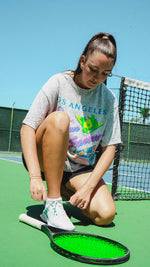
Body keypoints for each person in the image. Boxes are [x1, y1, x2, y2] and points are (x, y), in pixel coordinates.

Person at [21, 32, 121, 231]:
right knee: (60, 119)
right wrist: (34, 177)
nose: (98, 78)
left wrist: (88, 188)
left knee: (106, 215)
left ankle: (66, 189)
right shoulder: (59, 82)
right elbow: (28, 127)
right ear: (82, 61)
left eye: (105, 73)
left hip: (79, 169)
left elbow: (110, 147)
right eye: (93, 69)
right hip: (45, 159)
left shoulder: (109, 99)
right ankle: (53, 203)